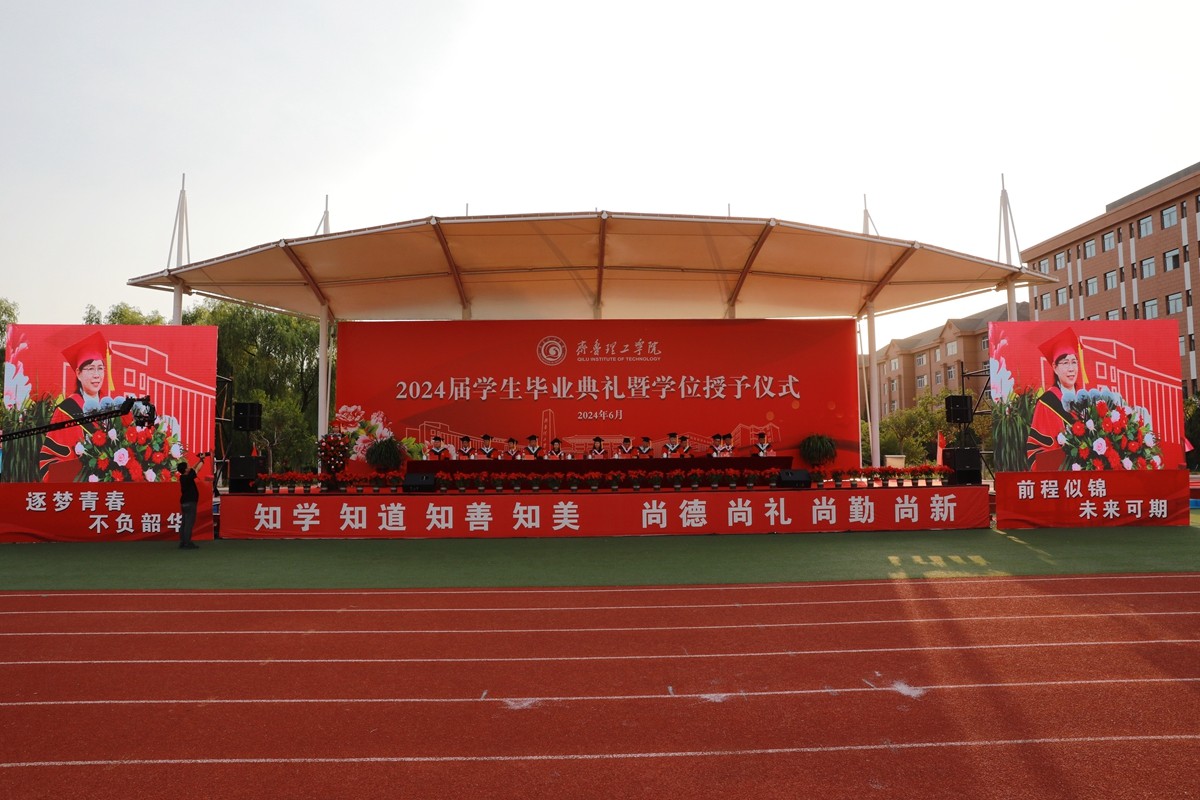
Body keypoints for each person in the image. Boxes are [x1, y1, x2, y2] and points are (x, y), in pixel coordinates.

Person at [38, 331, 117, 482]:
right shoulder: (66, 410)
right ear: (78, 374)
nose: (97, 375)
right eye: (90, 368)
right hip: (80, 486)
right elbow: (50, 459)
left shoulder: (111, 407)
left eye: (100, 368)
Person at [1026, 328, 1088, 471]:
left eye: (1074, 362)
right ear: (1055, 367)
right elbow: (1035, 448)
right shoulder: (1046, 402)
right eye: (1065, 363)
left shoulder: (1086, 399)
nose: (1071, 368)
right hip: (1060, 474)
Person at [177, 451, 209, 549]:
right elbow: (197, 469)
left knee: (184, 523)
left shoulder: (183, 477)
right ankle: (187, 543)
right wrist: (202, 460)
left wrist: (199, 460)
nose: (189, 466)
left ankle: (183, 541)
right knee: (189, 524)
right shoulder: (189, 477)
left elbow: (192, 468)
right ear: (185, 469)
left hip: (184, 503)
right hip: (190, 503)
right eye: (187, 466)